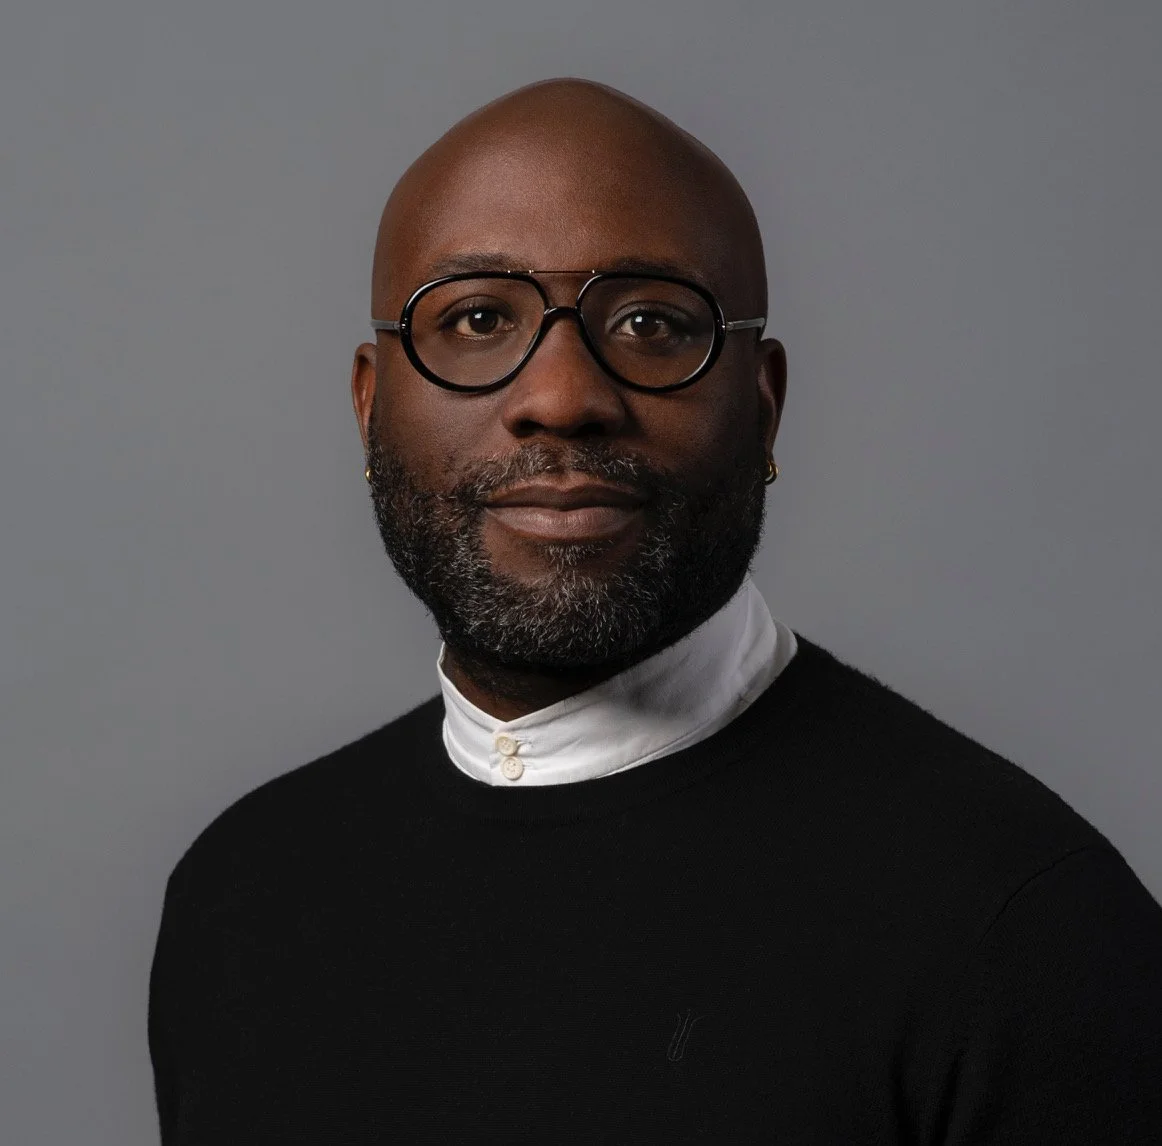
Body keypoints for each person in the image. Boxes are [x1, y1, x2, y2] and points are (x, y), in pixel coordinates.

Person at [147, 79, 1162, 1143]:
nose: (562, 396)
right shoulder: (242, 892)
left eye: (648, 322)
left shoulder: (1025, 931)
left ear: (761, 405)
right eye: (478, 318)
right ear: (369, 408)